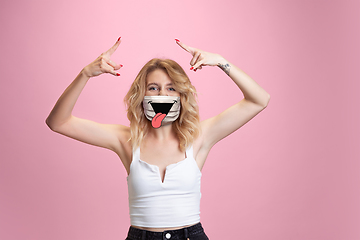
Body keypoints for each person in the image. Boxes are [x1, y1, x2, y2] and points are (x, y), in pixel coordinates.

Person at [46, 37, 270, 240]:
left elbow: (258, 100)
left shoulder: (199, 137)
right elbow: (58, 122)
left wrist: (221, 62)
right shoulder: (126, 140)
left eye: (171, 88)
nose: (162, 95)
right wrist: (85, 73)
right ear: (142, 94)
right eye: (153, 88)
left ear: (182, 96)